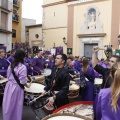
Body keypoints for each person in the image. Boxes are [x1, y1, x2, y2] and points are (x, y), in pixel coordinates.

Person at [2, 49, 31, 120]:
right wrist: (28, 85)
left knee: (8, 104)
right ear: (22, 57)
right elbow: (23, 82)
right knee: (16, 105)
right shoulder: (22, 67)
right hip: (16, 88)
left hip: (8, 86)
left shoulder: (10, 65)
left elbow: (8, 76)